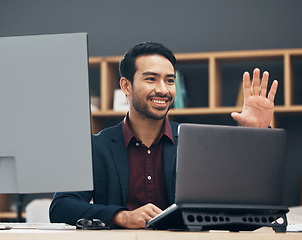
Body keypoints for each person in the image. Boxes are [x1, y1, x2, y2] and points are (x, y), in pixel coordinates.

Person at [49, 42, 278, 229]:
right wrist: (121, 216)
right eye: (151, 79)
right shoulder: (95, 147)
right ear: (126, 86)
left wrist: (257, 136)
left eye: (169, 80)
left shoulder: (199, 142)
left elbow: (246, 199)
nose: (163, 89)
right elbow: (61, 206)